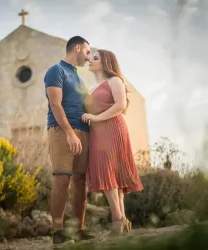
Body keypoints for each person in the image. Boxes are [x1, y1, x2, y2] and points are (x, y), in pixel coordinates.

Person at [82, 49, 144, 236]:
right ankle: (122, 221)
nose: (89, 60)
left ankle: (117, 221)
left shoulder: (114, 80)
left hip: (112, 128)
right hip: (97, 131)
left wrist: (96, 117)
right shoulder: (92, 86)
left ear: (106, 62)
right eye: (89, 57)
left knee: (109, 172)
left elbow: (120, 106)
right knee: (109, 174)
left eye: (95, 57)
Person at [44, 36, 94, 248]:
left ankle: (79, 230)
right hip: (62, 131)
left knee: (80, 181)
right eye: (87, 52)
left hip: (83, 131)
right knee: (62, 178)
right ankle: (57, 232)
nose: (88, 57)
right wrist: (69, 133)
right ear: (77, 48)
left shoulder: (79, 78)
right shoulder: (56, 70)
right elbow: (55, 104)